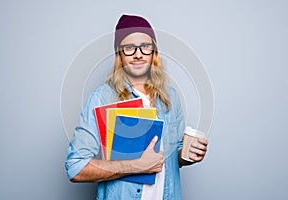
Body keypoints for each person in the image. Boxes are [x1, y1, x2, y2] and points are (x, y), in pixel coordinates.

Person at [65, 14, 208, 200]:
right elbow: (76, 168)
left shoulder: (170, 97)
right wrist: (137, 166)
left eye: (145, 46)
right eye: (129, 48)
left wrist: (189, 153)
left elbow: (172, 157)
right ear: (119, 55)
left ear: (154, 53)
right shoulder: (102, 98)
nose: (138, 54)